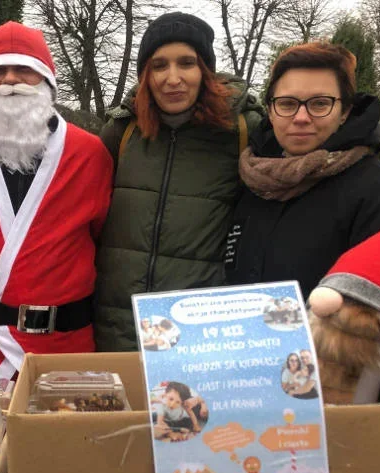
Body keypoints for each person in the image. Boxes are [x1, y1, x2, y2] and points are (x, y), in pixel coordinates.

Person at [0, 21, 113, 378]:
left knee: (62, 436)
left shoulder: (90, 155)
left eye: (25, 70)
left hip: (65, 350)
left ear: (48, 82)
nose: (10, 81)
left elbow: (104, 242)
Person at [94, 12, 264, 352]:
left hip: (197, 333)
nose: (173, 78)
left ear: (205, 70)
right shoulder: (121, 132)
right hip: (117, 326)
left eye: (186, 63)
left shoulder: (243, 131)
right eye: (159, 65)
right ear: (145, 74)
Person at [223, 42, 380, 298]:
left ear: (344, 112)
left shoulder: (376, 193)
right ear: (271, 111)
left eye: (320, 104)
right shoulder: (253, 183)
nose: (301, 117)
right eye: (287, 104)